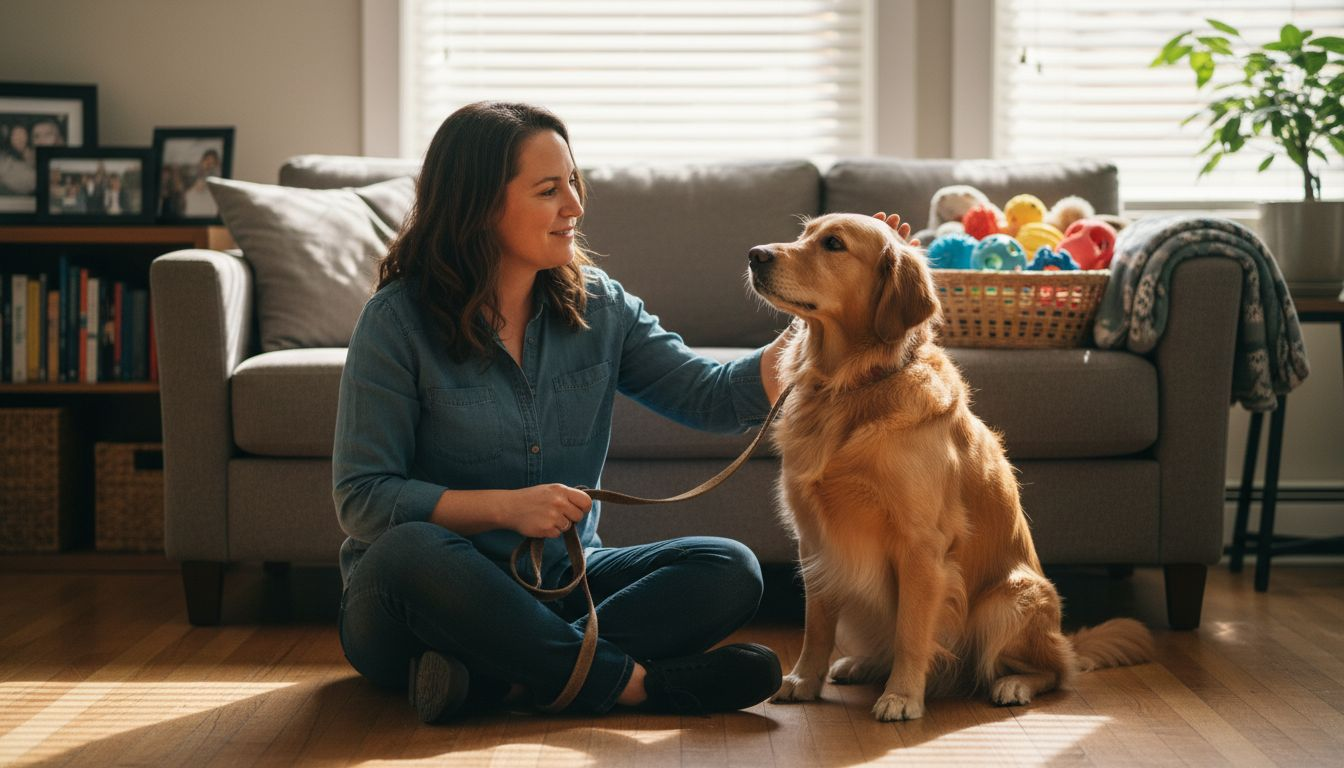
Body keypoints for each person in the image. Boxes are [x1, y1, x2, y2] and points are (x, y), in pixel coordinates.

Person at [332, 101, 799, 725]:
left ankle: (501, 681)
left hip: (560, 587)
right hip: (423, 605)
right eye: (550, 190)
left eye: (573, 183)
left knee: (729, 567)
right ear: (478, 203)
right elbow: (363, 498)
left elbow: (713, 397)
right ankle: (637, 686)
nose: (575, 206)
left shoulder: (600, 307)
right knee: (408, 549)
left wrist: (851, 285)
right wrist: (506, 507)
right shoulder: (396, 323)